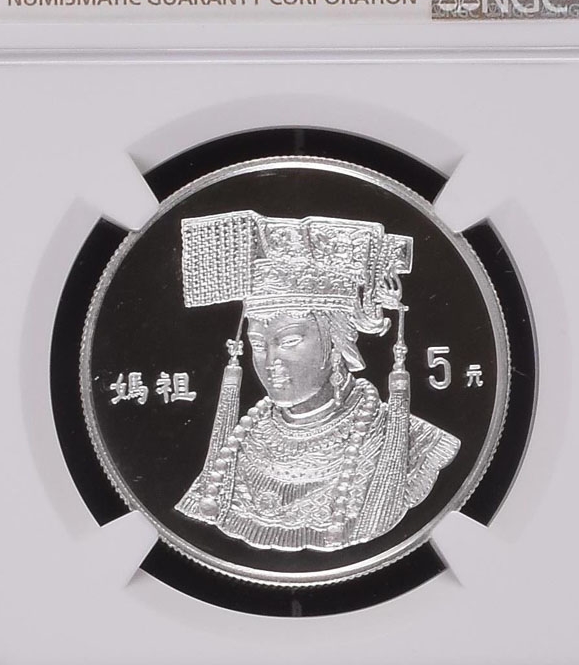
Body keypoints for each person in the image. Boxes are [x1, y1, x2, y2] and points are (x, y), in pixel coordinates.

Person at [175, 210, 460, 551]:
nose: (271, 362)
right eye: (259, 345)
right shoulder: (239, 444)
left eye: (289, 340)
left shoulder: (409, 442)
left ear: (337, 343)